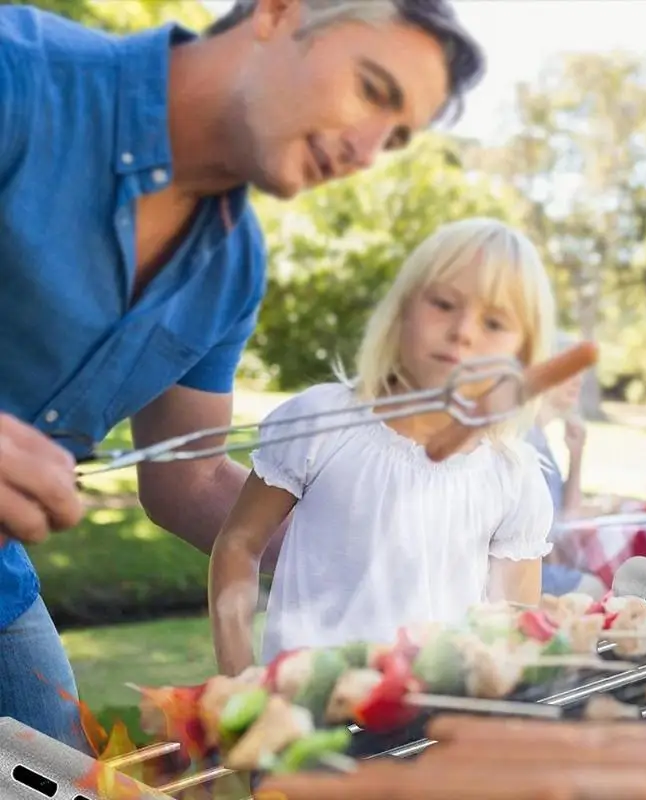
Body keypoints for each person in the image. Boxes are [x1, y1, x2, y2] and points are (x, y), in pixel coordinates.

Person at [0, 0, 484, 750]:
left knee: (65, 778)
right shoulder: (19, 74)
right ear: (278, 12)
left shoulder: (232, 270)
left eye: (394, 140)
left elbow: (188, 482)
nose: (366, 150)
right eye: (370, 90)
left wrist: (396, 567)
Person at [208, 218, 557, 671]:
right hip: (307, 716)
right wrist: (240, 682)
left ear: (522, 355)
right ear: (403, 308)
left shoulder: (513, 475)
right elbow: (239, 544)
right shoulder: (322, 422)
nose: (464, 332)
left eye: (494, 322)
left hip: (432, 729)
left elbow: (514, 628)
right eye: (444, 304)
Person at [524, 334, 604, 598]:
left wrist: (576, 455)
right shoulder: (525, 439)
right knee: (598, 587)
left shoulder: (539, 436)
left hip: (536, 565)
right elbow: (543, 529)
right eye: (569, 372)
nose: (578, 381)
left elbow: (566, 513)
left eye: (581, 373)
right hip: (519, 573)